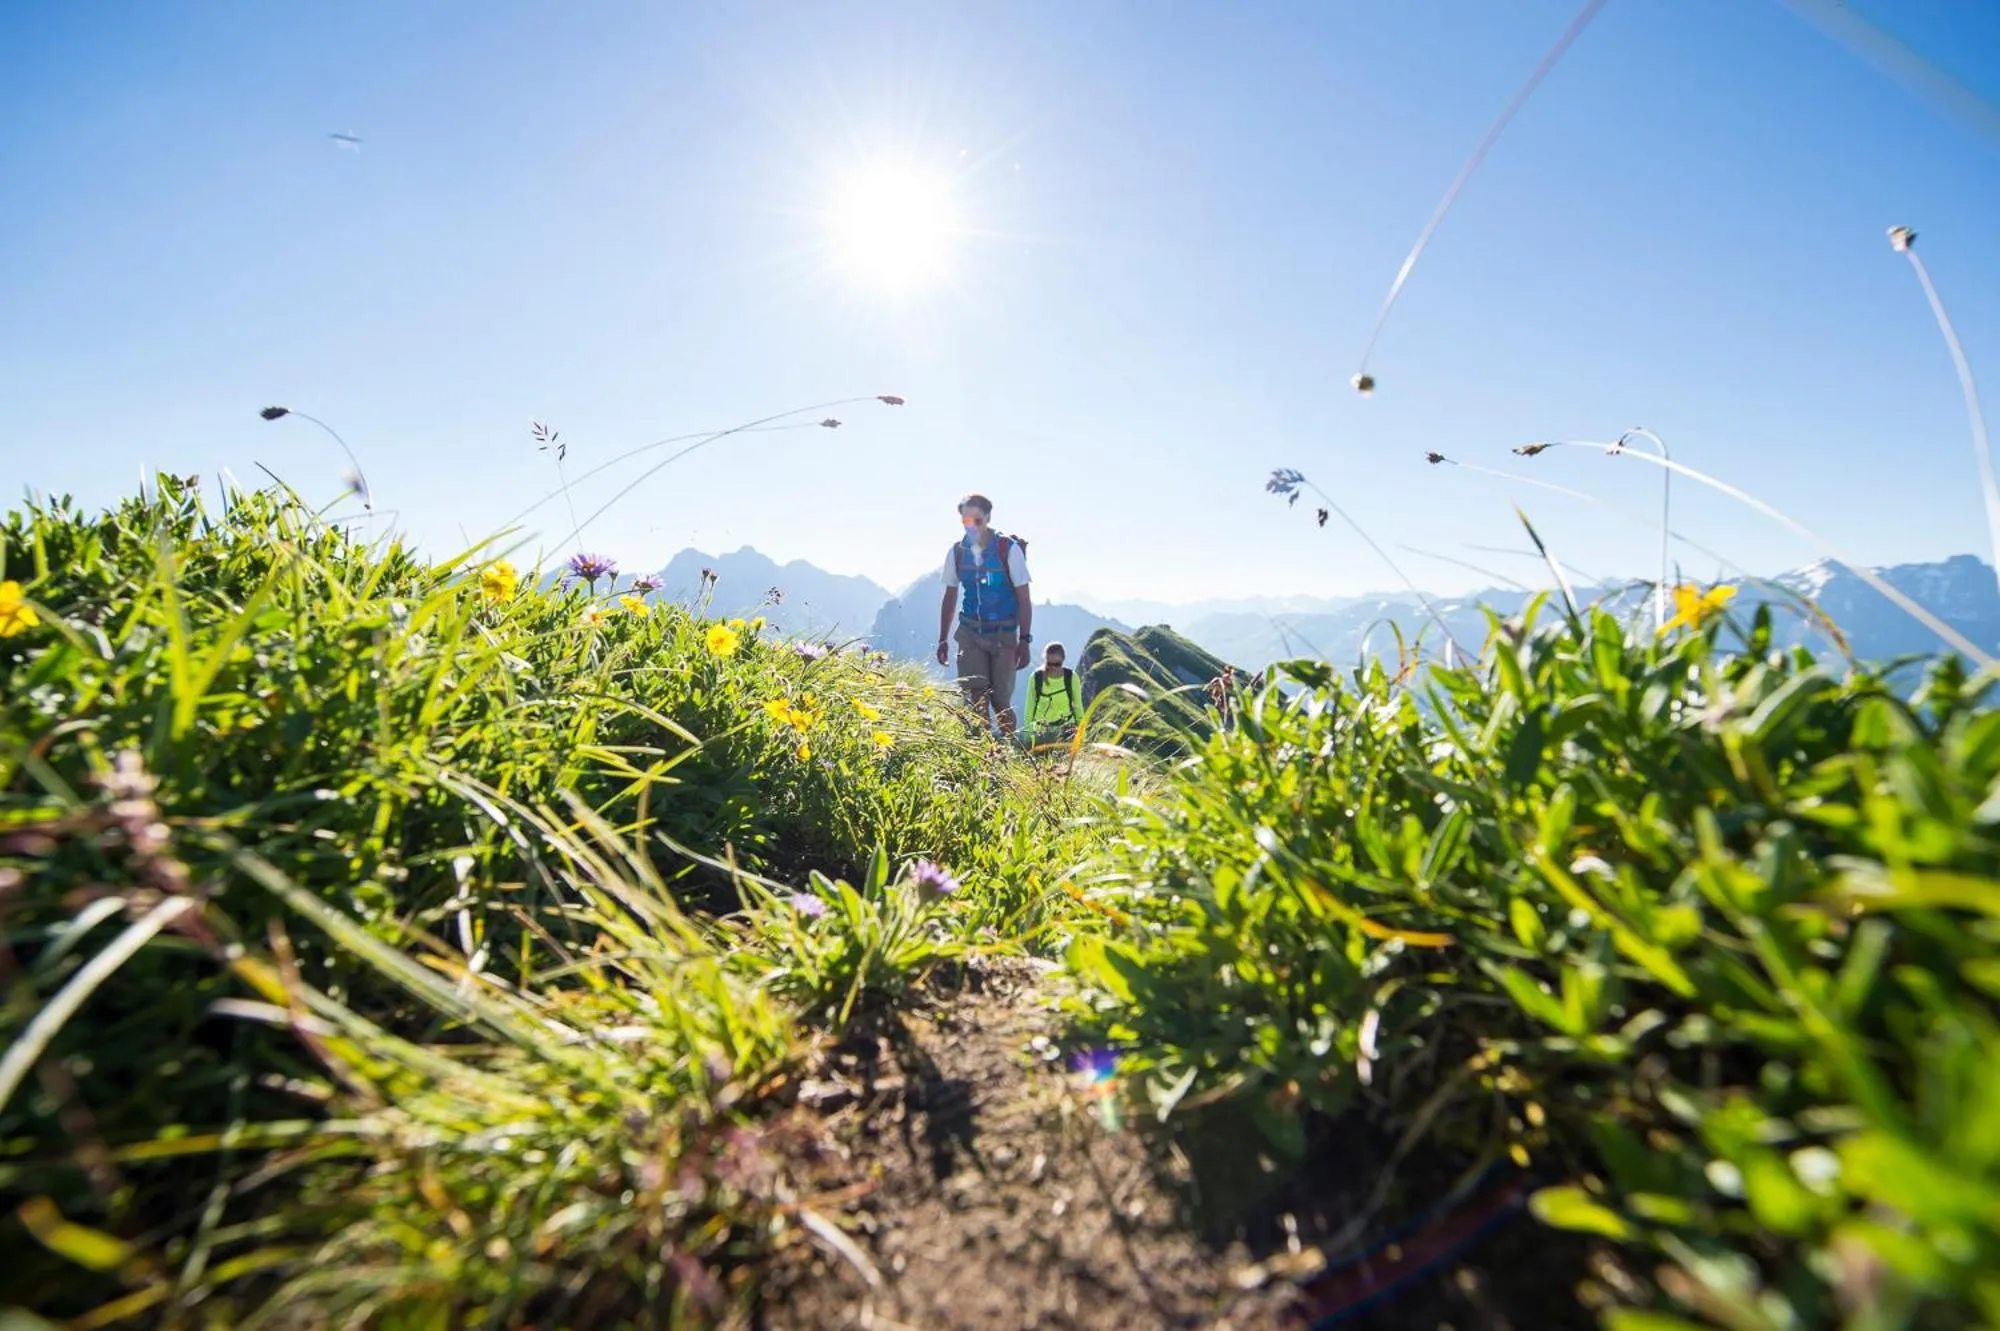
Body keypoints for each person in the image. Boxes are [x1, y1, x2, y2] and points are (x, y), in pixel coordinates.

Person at [936, 493, 1032, 735]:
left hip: (1004, 634)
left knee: (1000, 701)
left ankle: (1007, 752)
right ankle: (981, 755)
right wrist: (943, 638)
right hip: (970, 632)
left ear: (988, 517)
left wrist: (1025, 640)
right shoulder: (957, 552)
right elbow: (950, 595)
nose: (972, 526)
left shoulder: (1007, 550)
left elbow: (1024, 597)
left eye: (977, 521)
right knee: (975, 697)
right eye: (966, 521)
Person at [1025, 641, 1082, 748]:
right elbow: (1029, 707)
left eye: (1057, 664)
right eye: (1049, 664)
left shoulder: (1071, 678)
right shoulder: (1036, 678)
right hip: (1041, 733)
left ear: (1063, 661)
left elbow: (1078, 707)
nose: (1053, 668)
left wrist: (1081, 734)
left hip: (1067, 731)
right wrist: (1028, 735)